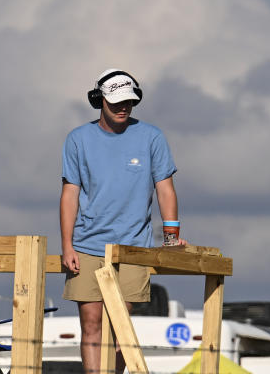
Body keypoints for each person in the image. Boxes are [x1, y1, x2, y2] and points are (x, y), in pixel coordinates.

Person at [59, 69, 184, 374]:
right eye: (115, 102)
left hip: (133, 247)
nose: (123, 107)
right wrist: (66, 245)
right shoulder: (77, 139)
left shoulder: (152, 136)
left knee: (119, 324)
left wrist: (170, 237)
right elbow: (69, 194)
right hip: (86, 245)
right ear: (98, 100)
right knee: (90, 324)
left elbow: (165, 189)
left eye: (128, 101)